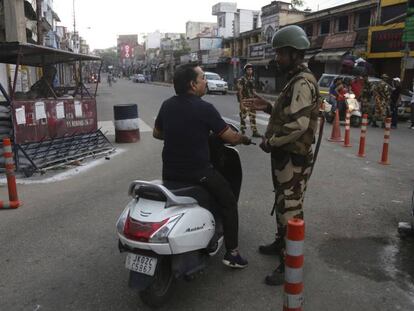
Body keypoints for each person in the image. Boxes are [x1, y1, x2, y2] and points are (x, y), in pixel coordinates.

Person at [242, 25, 320, 286]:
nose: (277, 58)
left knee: (291, 209)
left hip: (292, 158)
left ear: (295, 54)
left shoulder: (302, 82)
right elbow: (292, 113)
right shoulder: (295, 79)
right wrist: (269, 106)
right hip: (285, 157)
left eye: (281, 54)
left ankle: (290, 263)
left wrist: (271, 141)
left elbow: (298, 125)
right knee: (283, 202)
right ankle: (281, 243)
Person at [153, 63, 251, 269]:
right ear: (192, 84)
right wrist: (243, 138)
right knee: (229, 201)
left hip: (169, 172)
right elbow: (228, 137)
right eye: (203, 78)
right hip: (198, 174)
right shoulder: (205, 108)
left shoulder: (167, 105)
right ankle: (232, 253)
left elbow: (157, 133)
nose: (206, 82)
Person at [237, 64, 262, 137]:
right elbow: (240, 92)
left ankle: (254, 132)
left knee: (253, 116)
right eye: (248, 70)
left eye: (251, 69)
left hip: (252, 101)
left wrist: (258, 98)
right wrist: (241, 103)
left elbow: (254, 91)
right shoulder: (241, 80)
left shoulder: (253, 79)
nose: (250, 71)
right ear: (245, 71)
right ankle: (242, 132)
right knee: (243, 116)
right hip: (245, 100)